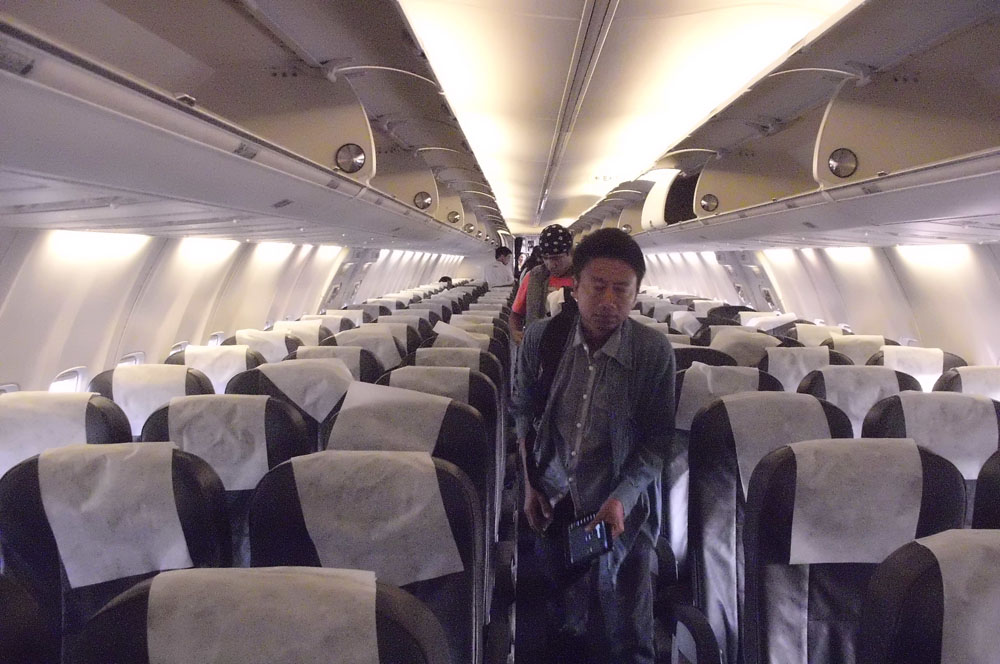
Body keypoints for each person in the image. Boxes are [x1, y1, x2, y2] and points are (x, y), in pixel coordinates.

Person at [512, 228, 675, 663]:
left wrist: (622, 499)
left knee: (628, 628)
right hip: (554, 500)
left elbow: (658, 440)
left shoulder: (653, 352)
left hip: (620, 506)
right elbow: (523, 412)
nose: (608, 301)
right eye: (597, 287)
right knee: (562, 617)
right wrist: (529, 485)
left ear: (636, 294)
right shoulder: (542, 339)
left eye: (621, 290)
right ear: (575, 287)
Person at [510, 225, 575, 342]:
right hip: (538, 343)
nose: (550, 264)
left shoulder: (584, 277)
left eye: (556, 258)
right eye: (545, 258)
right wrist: (515, 333)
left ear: (570, 253)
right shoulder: (534, 277)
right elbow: (516, 315)